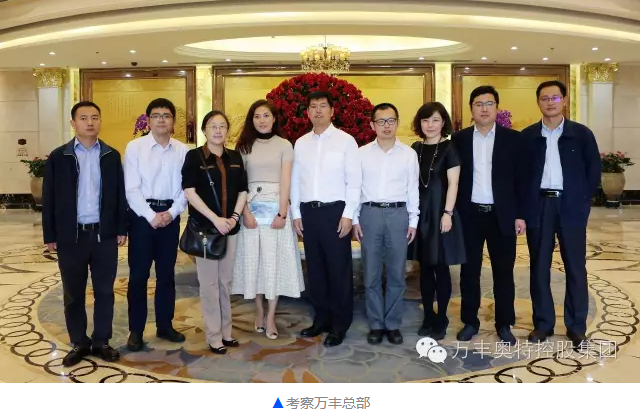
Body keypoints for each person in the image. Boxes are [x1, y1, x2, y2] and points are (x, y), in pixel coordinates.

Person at [42, 101, 127, 367]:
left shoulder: (111, 155)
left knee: (105, 292)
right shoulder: (59, 156)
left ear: (100, 121)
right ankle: (79, 342)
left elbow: (119, 194)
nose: (90, 122)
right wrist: (50, 234)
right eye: (83, 118)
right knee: (73, 293)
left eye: (94, 117)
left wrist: (121, 228)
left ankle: (101, 341)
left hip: (103, 236)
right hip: (71, 237)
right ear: (73, 123)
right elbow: (49, 197)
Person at [521, 80, 601, 348]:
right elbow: (520, 176)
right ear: (538, 102)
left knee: (575, 267)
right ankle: (543, 324)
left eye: (555, 98)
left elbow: (593, 170)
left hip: (570, 206)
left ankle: (576, 326)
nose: (550, 102)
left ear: (564, 101)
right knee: (539, 266)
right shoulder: (528, 136)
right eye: (545, 98)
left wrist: (581, 201)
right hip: (539, 205)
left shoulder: (582, 134)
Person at [451, 86, 527, 345]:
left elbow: (521, 180)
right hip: (469, 215)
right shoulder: (459, 139)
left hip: (502, 215)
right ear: (471, 109)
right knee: (469, 271)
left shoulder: (513, 139)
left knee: (503, 272)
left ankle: (504, 323)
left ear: (497, 107)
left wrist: (520, 215)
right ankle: (469, 322)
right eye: (478, 104)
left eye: (489, 103)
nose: (484, 109)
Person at [291, 90, 362, 347]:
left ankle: (340, 324)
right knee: (316, 270)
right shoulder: (300, 143)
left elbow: (354, 181)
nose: (318, 110)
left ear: (332, 111)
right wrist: (296, 213)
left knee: (338, 270)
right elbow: (295, 181)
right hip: (308, 213)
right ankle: (321, 319)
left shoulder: (346, 141)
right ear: (308, 112)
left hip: (335, 213)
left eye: (323, 106)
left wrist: (348, 215)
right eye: (313, 106)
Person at [232, 100, 304, 340]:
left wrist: (282, 213)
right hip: (251, 212)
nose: (261, 120)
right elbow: (239, 184)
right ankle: (259, 311)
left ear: (274, 118)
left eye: (266, 115)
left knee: (273, 264)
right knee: (254, 263)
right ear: (251, 120)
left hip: (276, 213)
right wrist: (245, 213)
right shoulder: (244, 146)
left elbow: (286, 181)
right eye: (257, 116)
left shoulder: (284, 145)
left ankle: (271, 315)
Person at [124, 98, 189, 351]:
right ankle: (136, 330)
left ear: (173, 121)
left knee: (166, 275)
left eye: (166, 115)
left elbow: (186, 189)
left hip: (170, 218)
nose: (161, 119)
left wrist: (171, 213)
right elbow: (131, 188)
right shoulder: (135, 148)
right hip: (142, 219)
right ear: (148, 120)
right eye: (156, 115)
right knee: (138, 276)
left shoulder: (183, 151)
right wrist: (151, 216)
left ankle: (165, 325)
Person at [182, 110, 248, 354]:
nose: (218, 130)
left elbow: (243, 191)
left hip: (230, 227)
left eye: (222, 126)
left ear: (227, 130)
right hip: (206, 230)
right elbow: (190, 192)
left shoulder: (235, 157)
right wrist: (215, 219)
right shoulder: (194, 157)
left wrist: (234, 217)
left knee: (226, 282)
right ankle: (214, 335)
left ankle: (227, 332)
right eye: (213, 126)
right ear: (204, 130)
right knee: (209, 284)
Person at [353, 103, 419, 345]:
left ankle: (392, 323)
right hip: (369, 214)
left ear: (397, 123)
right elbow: (354, 188)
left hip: (398, 215)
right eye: (381, 121)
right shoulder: (361, 153)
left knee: (396, 273)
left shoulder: (408, 154)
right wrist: (354, 218)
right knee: (370, 273)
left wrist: (413, 220)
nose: (386, 126)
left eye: (391, 120)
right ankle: (376, 324)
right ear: (372, 125)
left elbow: (413, 189)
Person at [408, 102, 466, 340]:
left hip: (441, 214)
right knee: (424, 269)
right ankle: (428, 317)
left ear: (443, 122)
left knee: (441, 268)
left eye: (435, 120)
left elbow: (453, 183)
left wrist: (447, 213)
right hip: (420, 215)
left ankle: (441, 317)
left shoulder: (449, 147)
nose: (430, 125)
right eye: (425, 120)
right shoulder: (415, 148)